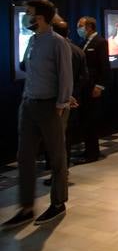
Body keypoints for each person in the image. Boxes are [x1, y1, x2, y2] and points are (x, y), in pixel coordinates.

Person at [2, 0, 73, 229]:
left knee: (56, 156)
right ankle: (26, 208)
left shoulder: (57, 42)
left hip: (50, 106)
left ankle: (58, 202)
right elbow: (25, 66)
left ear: (40, 17)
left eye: (29, 13)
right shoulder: (32, 40)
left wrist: (62, 103)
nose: (26, 17)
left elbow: (65, 75)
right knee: (24, 156)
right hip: (29, 104)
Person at [45, 15, 88, 177]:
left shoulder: (56, 51)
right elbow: (84, 77)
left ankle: (57, 171)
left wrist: (67, 95)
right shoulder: (78, 50)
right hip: (70, 100)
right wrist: (73, 94)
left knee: (55, 137)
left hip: (57, 101)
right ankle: (62, 168)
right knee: (65, 136)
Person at [76, 16, 110, 163]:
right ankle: (88, 150)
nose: (79, 29)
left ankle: (92, 153)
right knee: (85, 119)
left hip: (93, 86)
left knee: (91, 119)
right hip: (84, 86)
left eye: (80, 26)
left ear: (89, 27)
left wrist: (99, 86)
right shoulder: (84, 42)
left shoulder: (100, 42)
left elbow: (104, 66)